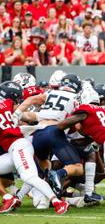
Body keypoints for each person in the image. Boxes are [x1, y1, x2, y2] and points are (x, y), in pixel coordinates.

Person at [0, 81, 69, 214]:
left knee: (30, 177)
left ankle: (57, 202)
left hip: (19, 146)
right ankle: (9, 198)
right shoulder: (7, 103)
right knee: (30, 176)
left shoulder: (7, 103)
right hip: (15, 148)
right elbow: (22, 107)